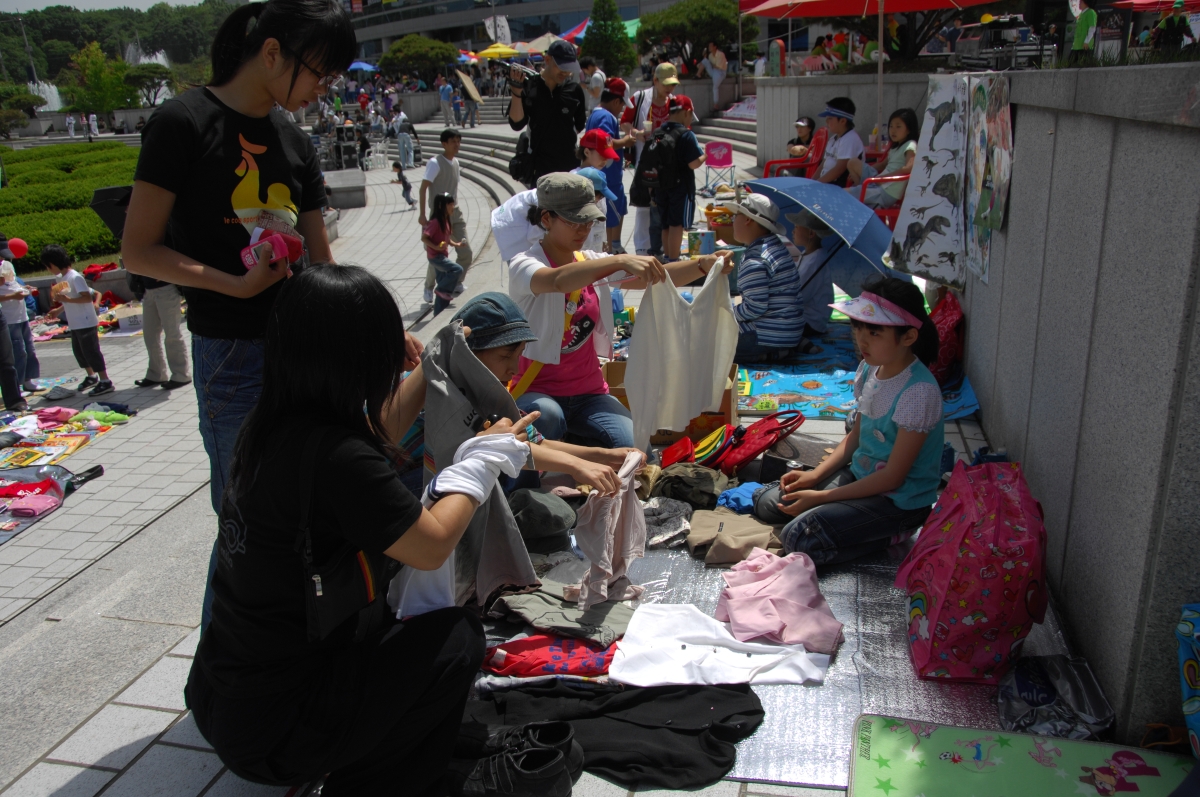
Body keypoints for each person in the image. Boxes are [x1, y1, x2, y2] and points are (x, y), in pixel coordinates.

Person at [186, 263, 554, 796]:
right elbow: (430, 546)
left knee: (398, 618)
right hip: (278, 738)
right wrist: (484, 458)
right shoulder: (338, 459)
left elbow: (375, 432)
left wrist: (433, 366)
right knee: (455, 639)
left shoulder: (270, 427)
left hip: (226, 703)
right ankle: (381, 780)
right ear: (359, 356)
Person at [121, 0, 413, 633]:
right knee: (245, 520)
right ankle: (229, 674)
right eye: (319, 74)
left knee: (316, 506)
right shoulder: (183, 121)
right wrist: (235, 283)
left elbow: (323, 263)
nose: (321, 92)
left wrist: (378, 328)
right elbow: (138, 250)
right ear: (274, 52)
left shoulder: (292, 140)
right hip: (232, 352)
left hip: (308, 356)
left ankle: (305, 647)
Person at [507, 172, 731, 448]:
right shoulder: (524, 264)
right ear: (546, 219)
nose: (584, 229)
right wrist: (621, 260)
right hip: (536, 392)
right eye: (574, 220)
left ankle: (580, 438)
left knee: (639, 451)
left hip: (589, 393)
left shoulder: (591, 261)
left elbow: (654, 275)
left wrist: (702, 265)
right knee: (547, 417)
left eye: (588, 220)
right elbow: (557, 280)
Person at [752, 278, 943, 566]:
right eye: (857, 327)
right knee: (772, 503)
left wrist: (820, 498)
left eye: (874, 332)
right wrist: (814, 477)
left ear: (908, 337)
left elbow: (893, 477)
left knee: (799, 536)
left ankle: (891, 536)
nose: (861, 339)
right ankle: (851, 526)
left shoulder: (919, 392)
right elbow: (855, 437)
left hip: (898, 503)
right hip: (862, 478)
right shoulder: (870, 368)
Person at [450, 292, 641, 494]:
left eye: (519, 355)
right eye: (506, 356)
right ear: (468, 352)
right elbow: (511, 450)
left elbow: (537, 442)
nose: (514, 369)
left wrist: (606, 456)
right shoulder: (445, 401)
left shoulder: (493, 395)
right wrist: (576, 466)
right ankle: (517, 496)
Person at [726, 194, 802, 364]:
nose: (732, 221)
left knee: (711, 341)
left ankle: (766, 354)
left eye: (735, 216)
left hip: (768, 335)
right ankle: (779, 351)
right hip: (790, 330)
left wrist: (725, 312)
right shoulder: (775, 246)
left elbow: (755, 308)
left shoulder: (755, 258)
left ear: (747, 220)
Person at [507, 39, 588, 182]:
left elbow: (580, 123)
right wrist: (516, 92)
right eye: (561, 67)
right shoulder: (530, 87)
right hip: (540, 170)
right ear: (547, 60)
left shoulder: (574, 90)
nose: (566, 72)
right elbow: (516, 124)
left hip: (569, 168)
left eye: (569, 68)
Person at [623, 62, 679, 257]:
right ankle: (642, 248)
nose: (670, 89)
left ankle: (660, 248)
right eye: (666, 84)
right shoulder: (640, 99)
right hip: (645, 159)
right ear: (655, 80)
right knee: (644, 205)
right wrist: (636, 133)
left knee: (664, 204)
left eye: (673, 85)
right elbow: (625, 122)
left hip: (667, 163)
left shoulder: (674, 102)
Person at [42, 245, 113, 398]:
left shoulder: (75, 277)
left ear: (52, 264)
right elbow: (68, 301)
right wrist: (58, 310)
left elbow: (87, 297)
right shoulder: (62, 278)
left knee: (91, 351)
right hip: (75, 322)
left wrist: (67, 299)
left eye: (48, 266)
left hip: (86, 321)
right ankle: (91, 376)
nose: (48, 269)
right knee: (79, 352)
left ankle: (105, 380)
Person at [419, 129, 472, 303]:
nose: (456, 144)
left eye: (458, 141)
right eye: (452, 141)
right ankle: (428, 287)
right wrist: (422, 214)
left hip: (455, 212)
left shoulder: (456, 162)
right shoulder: (435, 163)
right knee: (438, 255)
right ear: (444, 144)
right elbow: (423, 187)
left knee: (466, 252)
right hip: (439, 217)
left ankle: (456, 282)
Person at [650, 94, 705, 262]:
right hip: (680, 187)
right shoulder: (686, 135)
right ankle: (674, 259)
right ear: (687, 112)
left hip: (661, 186)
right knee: (677, 224)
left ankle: (667, 256)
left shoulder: (658, 132)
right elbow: (693, 164)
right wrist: (705, 156)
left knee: (665, 224)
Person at [586, 78, 636, 254]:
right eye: (622, 105)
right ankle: (610, 248)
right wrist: (626, 141)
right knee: (611, 213)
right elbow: (605, 142)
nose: (622, 109)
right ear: (616, 101)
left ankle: (612, 245)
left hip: (608, 173)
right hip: (609, 177)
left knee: (615, 209)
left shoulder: (595, 113)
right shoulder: (607, 116)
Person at [130, 269, 191, 390]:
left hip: (166, 288)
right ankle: (156, 374)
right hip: (148, 290)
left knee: (172, 334)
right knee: (149, 335)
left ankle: (181, 375)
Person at [847, 107, 918, 208]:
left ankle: (864, 193)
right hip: (880, 181)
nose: (893, 130)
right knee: (852, 162)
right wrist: (861, 170)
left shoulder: (910, 145)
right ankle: (863, 190)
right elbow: (882, 164)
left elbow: (909, 168)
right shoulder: (896, 146)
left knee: (844, 193)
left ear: (909, 130)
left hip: (886, 191)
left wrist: (884, 178)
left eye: (898, 127)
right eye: (891, 126)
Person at [786, 209, 835, 343]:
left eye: (797, 227)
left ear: (811, 233)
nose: (793, 231)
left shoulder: (816, 261)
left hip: (811, 321)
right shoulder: (807, 255)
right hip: (802, 316)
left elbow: (799, 295)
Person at [423, 193, 465, 315]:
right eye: (450, 204)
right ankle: (441, 289)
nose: (453, 206)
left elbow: (446, 238)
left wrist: (456, 244)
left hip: (441, 256)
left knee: (443, 293)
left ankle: (438, 314)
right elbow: (424, 238)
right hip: (436, 257)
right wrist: (435, 247)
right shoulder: (435, 222)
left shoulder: (445, 221)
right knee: (457, 269)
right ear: (442, 206)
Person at [0, 262, 38, 394]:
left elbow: (14, 286)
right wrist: (13, 296)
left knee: (29, 349)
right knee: (18, 352)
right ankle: (18, 385)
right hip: (9, 320)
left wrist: (24, 288)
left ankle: (28, 380)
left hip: (22, 317)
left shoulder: (9, 272)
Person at [816, 97, 864, 187]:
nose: (826, 121)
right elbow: (823, 164)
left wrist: (817, 184)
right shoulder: (833, 138)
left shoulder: (850, 139)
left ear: (842, 121)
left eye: (830, 118)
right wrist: (811, 182)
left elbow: (839, 169)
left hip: (838, 187)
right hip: (826, 183)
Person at [696, 41, 728, 109]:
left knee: (715, 87)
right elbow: (711, 65)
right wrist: (703, 65)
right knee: (705, 60)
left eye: (710, 46)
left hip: (720, 72)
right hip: (714, 71)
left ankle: (716, 103)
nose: (709, 48)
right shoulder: (710, 55)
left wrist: (710, 65)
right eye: (709, 46)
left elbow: (718, 66)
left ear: (715, 47)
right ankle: (698, 74)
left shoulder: (720, 54)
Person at [1070, 0, 1098, 64]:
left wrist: (1087, 41)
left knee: (1084, 65)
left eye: (1081, 2)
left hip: (1085, 46)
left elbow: (1092, 28)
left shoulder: (1091, 12)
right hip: (1076, 45)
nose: (1079, 3)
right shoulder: (1081, 14)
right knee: (1071, 64)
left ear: (1086, 3)